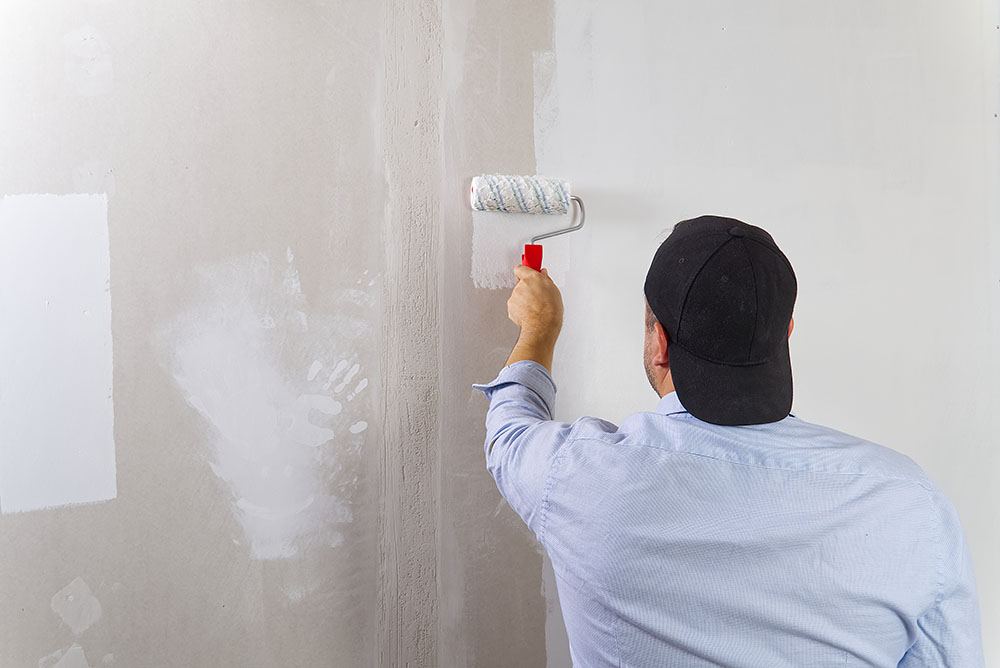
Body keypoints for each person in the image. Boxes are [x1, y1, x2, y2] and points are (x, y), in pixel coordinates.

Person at [474, 215, 984, 667]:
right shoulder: (909, 503)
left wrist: (540, 328)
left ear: (661, 343)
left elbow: (510, 435)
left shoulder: (583, 479)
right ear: (786, 331)